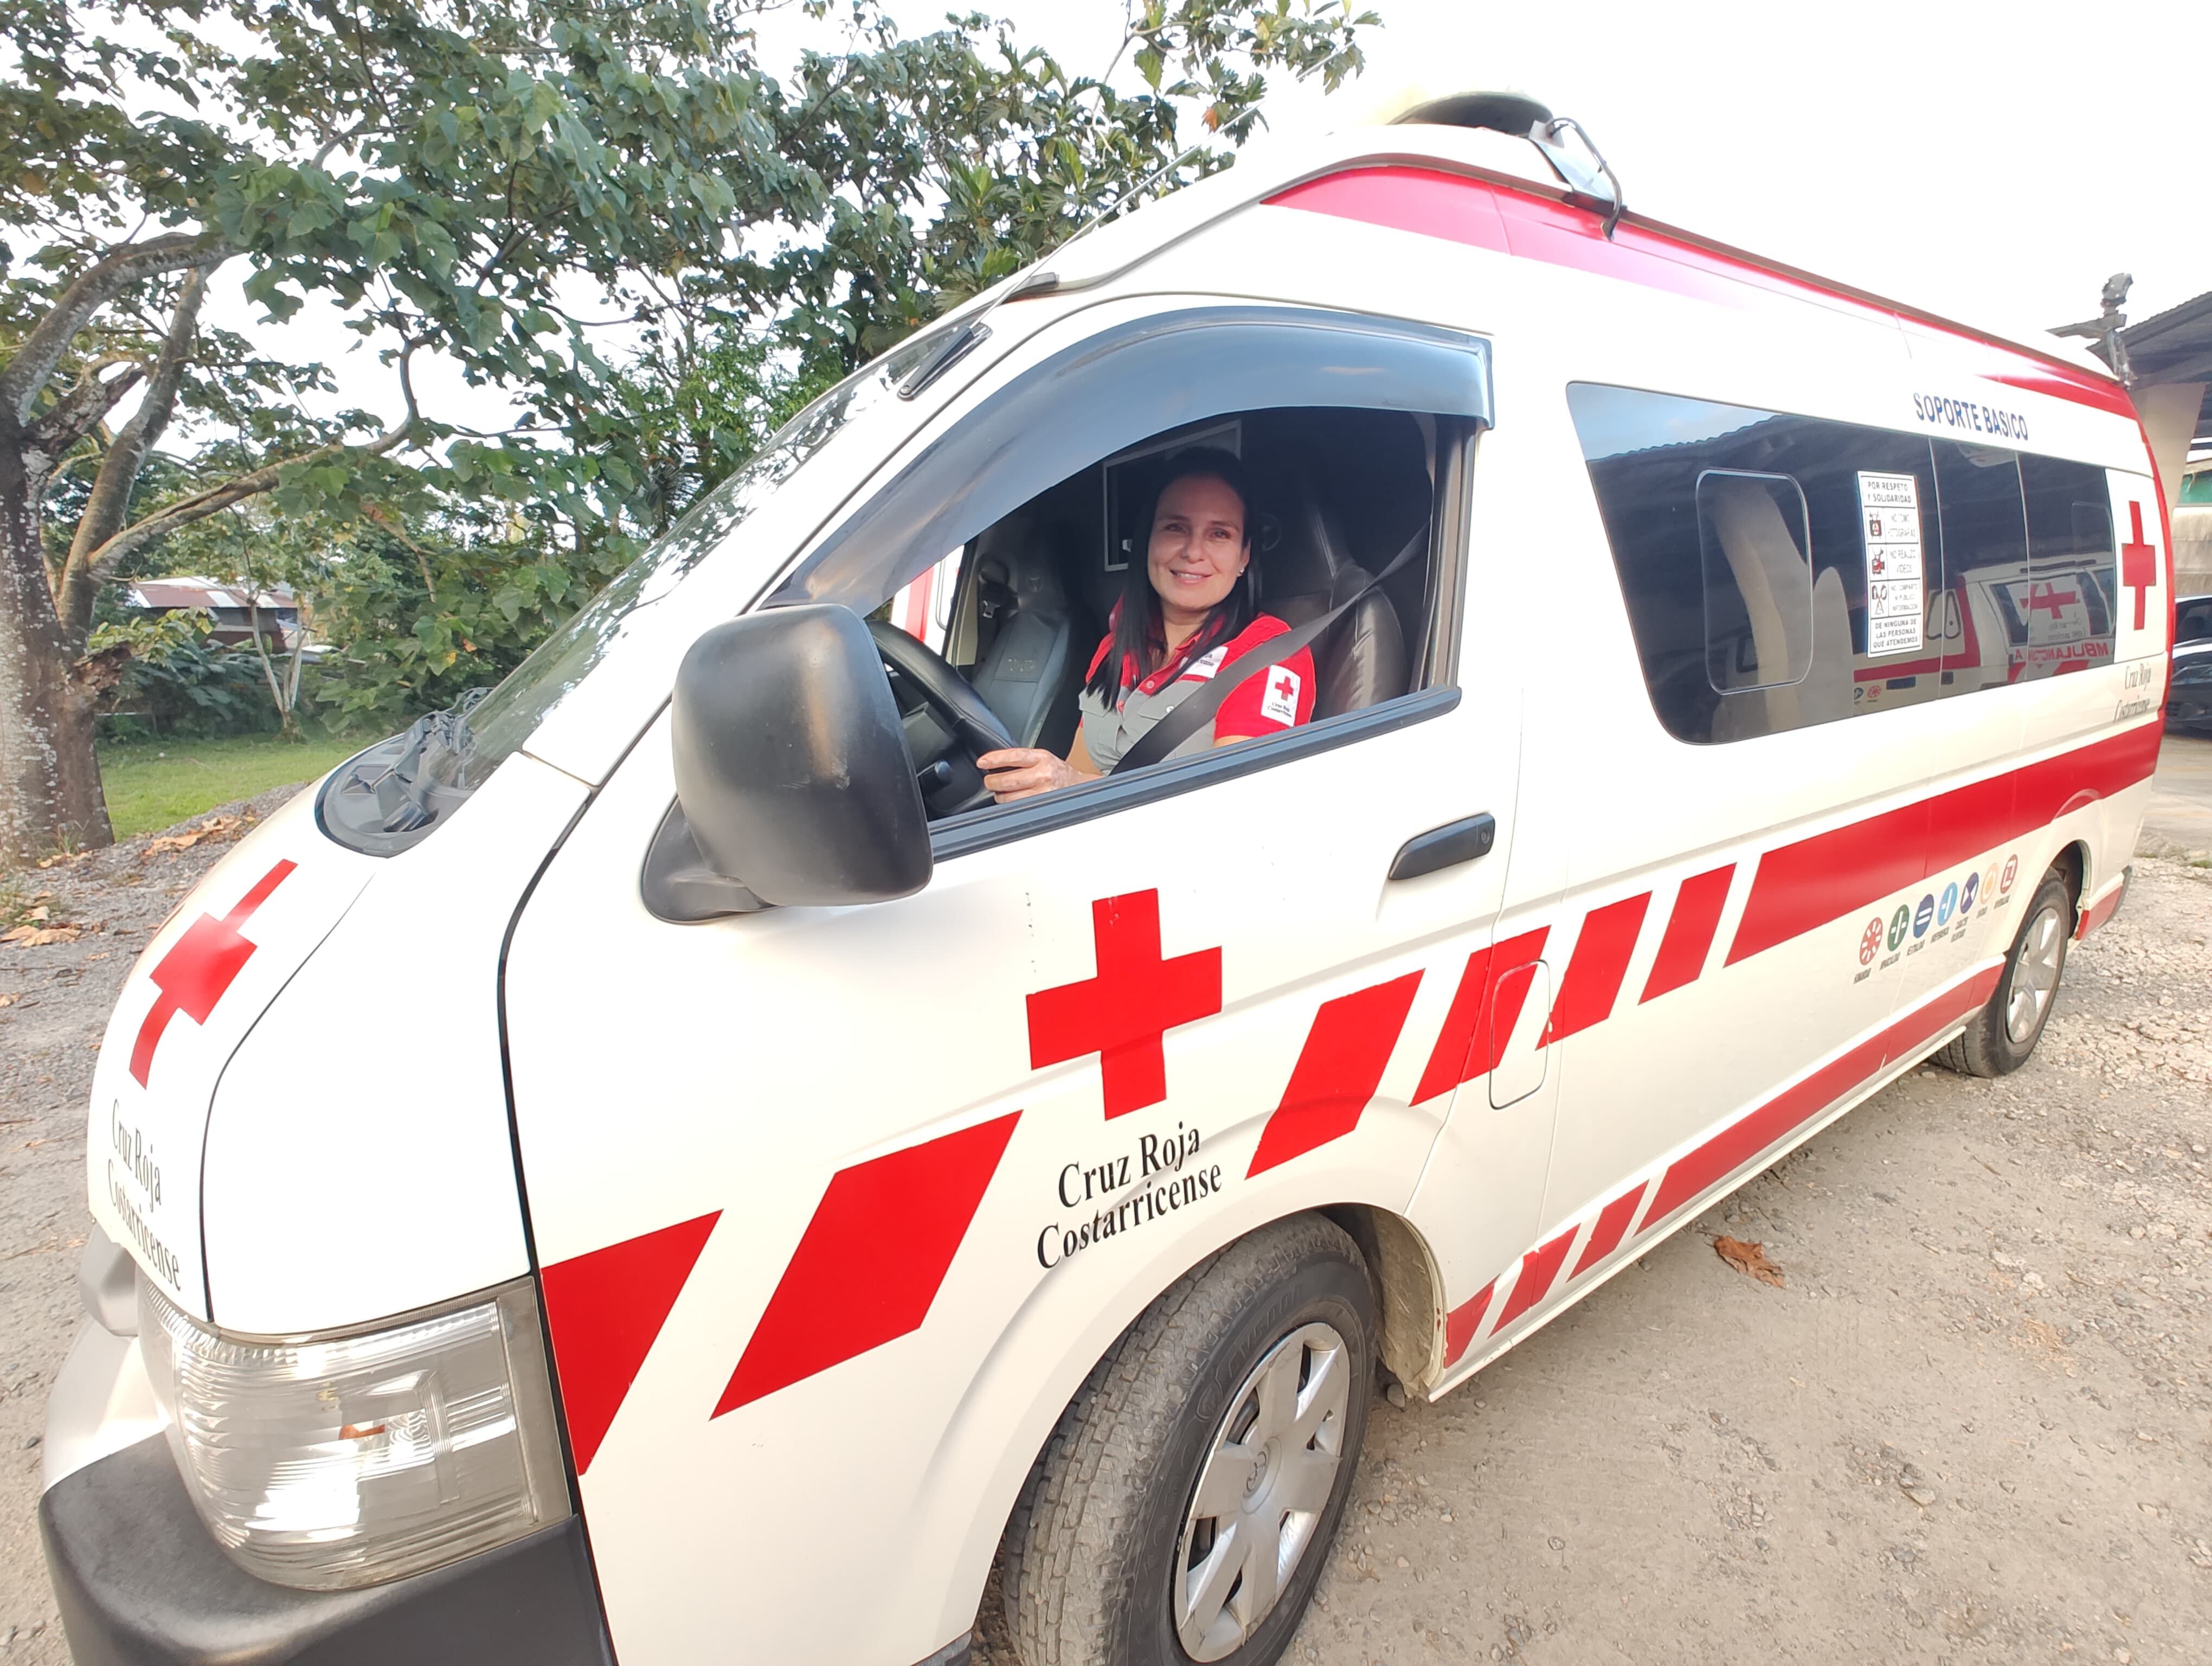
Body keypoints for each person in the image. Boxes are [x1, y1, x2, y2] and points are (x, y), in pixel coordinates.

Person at [979, 448, 1316, 804]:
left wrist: (1071, 784)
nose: (1193, 551)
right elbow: (1081, 771)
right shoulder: (1113, 650)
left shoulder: (1269, 654)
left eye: (1219, 534)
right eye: (1176, 528)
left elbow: (1234, 808)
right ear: (1148, 543)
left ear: (1244, 556)